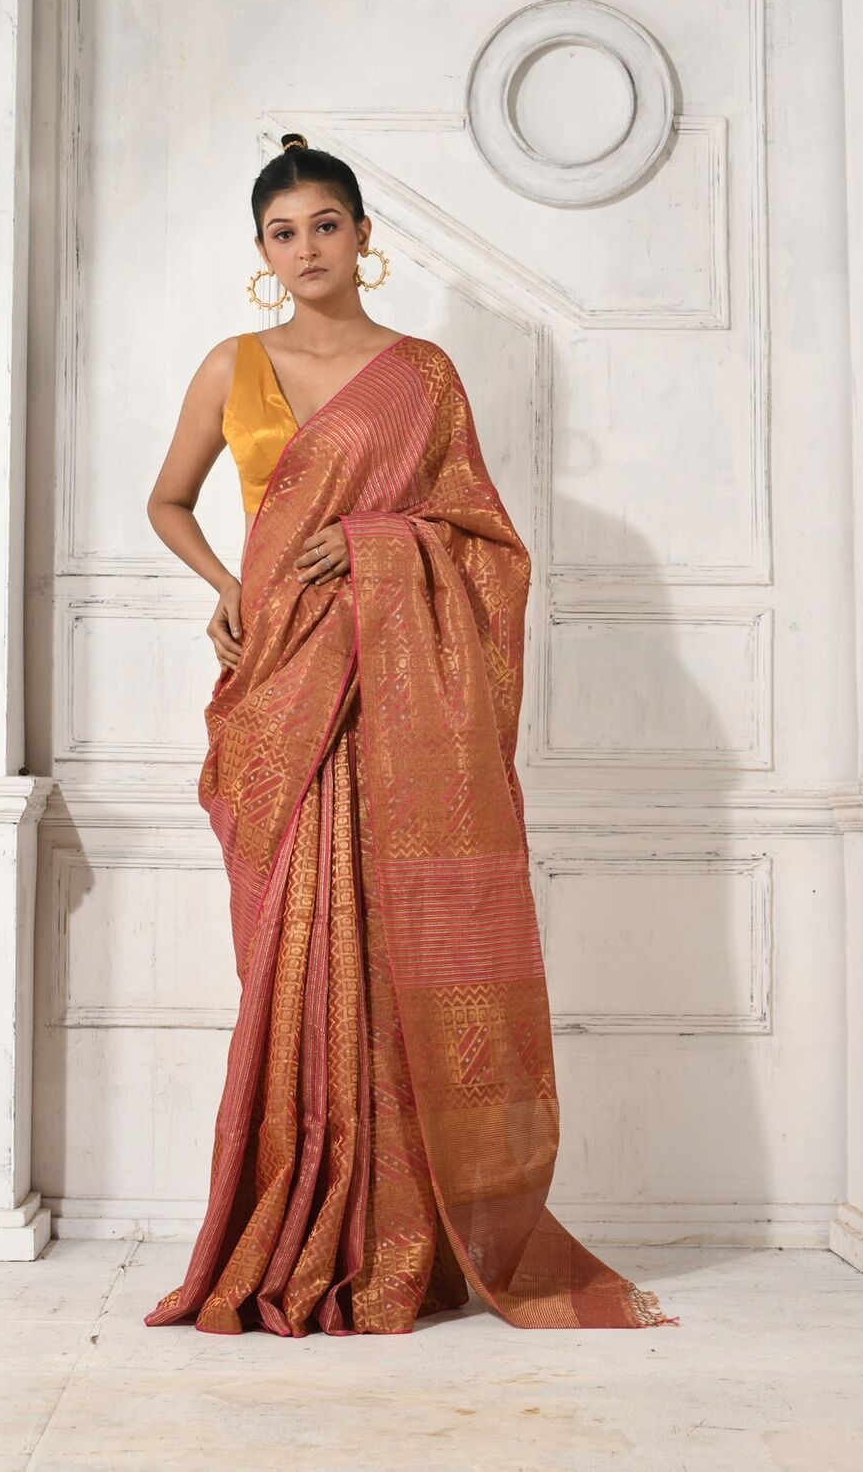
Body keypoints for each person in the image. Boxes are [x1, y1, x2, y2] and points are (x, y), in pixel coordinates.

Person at [141, 132, 679, 1337]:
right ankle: (299, 1213)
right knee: (287, 951)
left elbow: (484, 542)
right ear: (260, 252)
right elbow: (166, 500)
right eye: (284, 232)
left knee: (394, 949)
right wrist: (226, 587)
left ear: (365, 237)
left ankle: (407, 1227)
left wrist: (380, 546)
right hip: (283, 683)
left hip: (393, 699)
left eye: (326, 225)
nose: (307, 249)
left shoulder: (421, 375)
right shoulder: (233, 366)